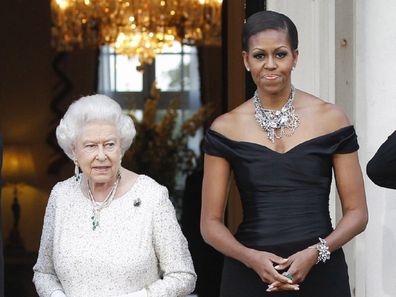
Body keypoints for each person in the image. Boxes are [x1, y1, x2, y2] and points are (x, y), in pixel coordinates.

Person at [201, 10, 368, 297]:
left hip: (321, 271)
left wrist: (317, 252)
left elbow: (357, 213)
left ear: (295, 57)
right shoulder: (226, 127)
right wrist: (250, 258)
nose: (270, 65)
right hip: (249, 275)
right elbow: (210, 224)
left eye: (280, 54)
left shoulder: (331, 118)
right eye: (259, 56)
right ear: (245, 60)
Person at [33, 95, 196, 297]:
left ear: (122, 147)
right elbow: (43, 273)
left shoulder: (151, 195)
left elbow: (183, 276)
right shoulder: (61, 195)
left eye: (109, 144)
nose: (101, 155)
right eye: (91, 146)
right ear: (74, 150)